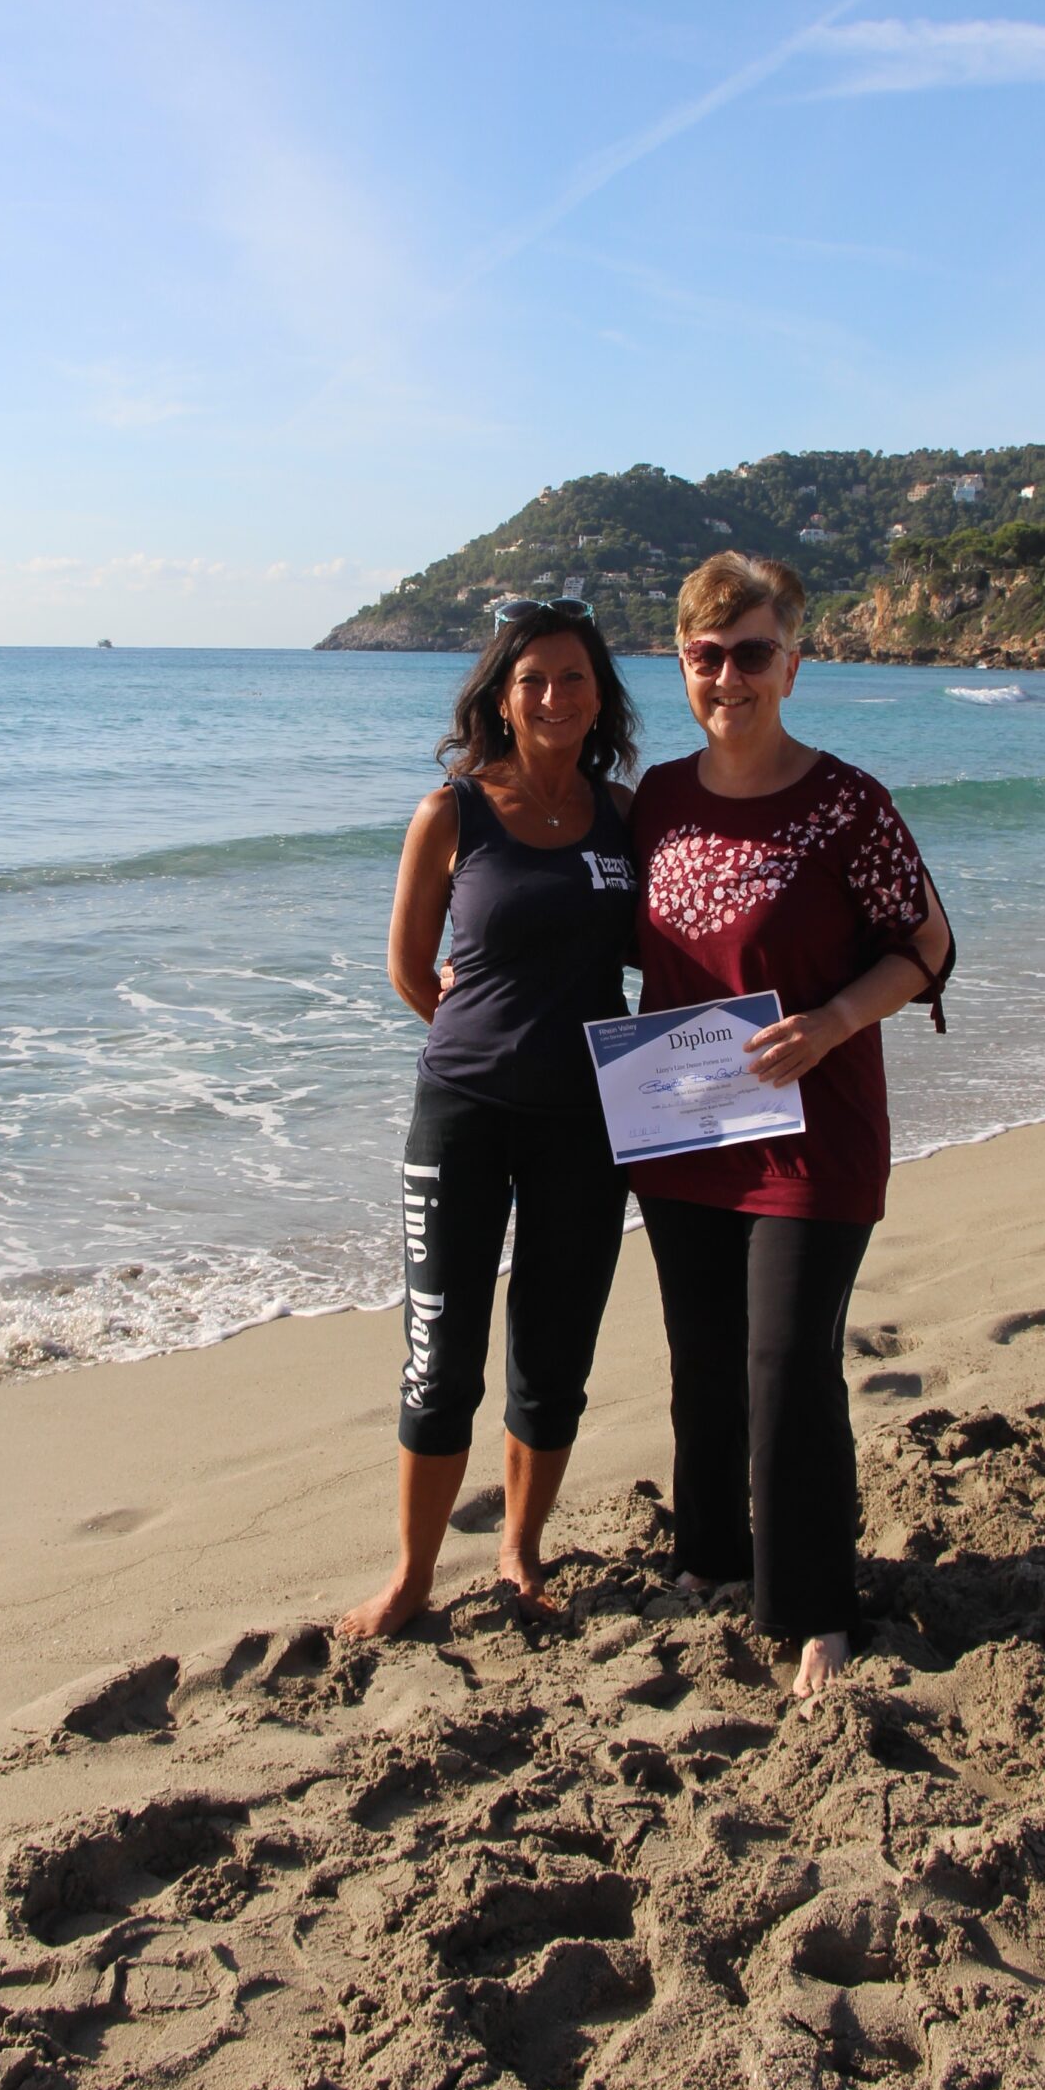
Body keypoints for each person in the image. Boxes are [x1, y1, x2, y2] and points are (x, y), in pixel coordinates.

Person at [628, 553, 953, 1710]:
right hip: (685, 1128)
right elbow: (592, 924)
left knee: (786, 1363)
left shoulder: (848, 804)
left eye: (753, 653)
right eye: (707, 656)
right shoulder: (657, 799)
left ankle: (817, 1603)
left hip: (815, 1133)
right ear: (682, 666)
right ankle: (711, 1554)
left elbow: (928, 944)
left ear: (793, 664)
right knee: (704, 1361)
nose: (730, 677)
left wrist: (830, 1022)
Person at [339, 601, 639, 1638]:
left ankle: (521, 1550)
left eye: (573, 677)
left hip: (589, 1125)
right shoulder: (452, 812)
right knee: (440, 1360)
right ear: (501, 700)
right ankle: (412, 1575)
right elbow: (408, 969)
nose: (554, 696)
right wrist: (487, 1037)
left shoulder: (624, 815)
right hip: (462, 1118)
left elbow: (674, 943)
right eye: (532, 680)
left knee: (554, 1359)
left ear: (599, 696)